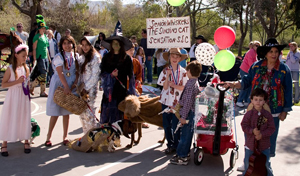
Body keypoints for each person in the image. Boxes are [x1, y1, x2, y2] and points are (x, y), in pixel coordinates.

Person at [224, 38, 292, 162]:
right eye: (271, 51)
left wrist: (285, 111)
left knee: (269, 137)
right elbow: (246, 82)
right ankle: (249, 164)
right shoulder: (256, 66)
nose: (274, 54)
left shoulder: (284, 69)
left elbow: (288, 91)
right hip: (254, 108)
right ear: (265, 53)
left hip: (274, 110)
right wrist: (232, 84)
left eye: (276, 51)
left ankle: (264, 165)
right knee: (251, 135)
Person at [45, 35, 79, 146]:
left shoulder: (76, 56)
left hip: (70, 85)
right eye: (64, 43)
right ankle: (48, 137)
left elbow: (77, 71)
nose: (67, 46)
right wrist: (66, 87)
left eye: (69, 43)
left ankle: (65, 136)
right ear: (61, 45)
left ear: (73, 44)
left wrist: (74, 83)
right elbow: (60, 73)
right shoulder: (59, 57)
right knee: (55, 112)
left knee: (66, 111)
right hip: (60, 85)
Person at [0, 44, 31, 157]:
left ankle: (26, 140)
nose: (25, 58)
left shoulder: (26, 68)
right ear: (17, 55)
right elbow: (3, 84)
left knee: (24, 116)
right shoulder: (10, 69)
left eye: (26, 56)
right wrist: (17, 82)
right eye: (23, 56)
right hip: (13, 96)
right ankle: (4, 143)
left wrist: (29, 86)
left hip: (23, 96)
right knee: (10, 116)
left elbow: (26, 82)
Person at [157, 48, 189, 154]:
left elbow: (184, 87)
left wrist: (174, 85)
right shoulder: (165, 71)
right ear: (169, 58)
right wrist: (168, 77)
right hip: (166, 101)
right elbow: (164, 87)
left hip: (177, 102)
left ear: (180, 58)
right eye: (172, 57)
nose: (174, 59)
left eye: (177, 57)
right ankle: (170, 145)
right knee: (166, 125)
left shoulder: (184, 72)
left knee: (176, 124)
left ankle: (176, 144)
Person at [170, 60, 201, 165]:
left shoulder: (190, 84)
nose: (186, 73)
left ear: (189, 71)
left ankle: (182, 157)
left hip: (188, 113)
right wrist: (176, 107)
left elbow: (188, 102)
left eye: (187, 71)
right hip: (190, 112)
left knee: (185, 135)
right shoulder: (194, 82)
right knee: (186, 134)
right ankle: (184, 153)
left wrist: (183, 116)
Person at [100, 35, 136, 124]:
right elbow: (102, 73)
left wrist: (132, 92)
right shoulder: (106, 57)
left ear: (121, 45)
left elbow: (131, 76)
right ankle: (106, 133)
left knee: (118, 114)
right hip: (109, 92)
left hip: (121, 91)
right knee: (107, 113)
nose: (116, 45)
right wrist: (111, 75)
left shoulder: (126, 58)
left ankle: (115, 134)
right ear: (111, 45)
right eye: (114, 43)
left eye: (118, 43)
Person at [241, 88, 275, 176]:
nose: (258, 102)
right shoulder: (249, 114)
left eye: (260, 100)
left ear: (264, 101)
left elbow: (272, 128)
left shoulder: (267, 115)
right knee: (248, 164)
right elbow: (244, 125)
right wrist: (252, 131)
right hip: (250, 145)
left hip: (264, 145)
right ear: (251, 100)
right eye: (256, 99)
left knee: (266, 164)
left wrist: (262, 134)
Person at [78, 37, 101, 134]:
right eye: (82, 45)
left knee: (89, 114)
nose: (84, 47)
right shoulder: (83, 57)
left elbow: (95, 76)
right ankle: (86, 136)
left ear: (91, 45)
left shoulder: (96, 57)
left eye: (86, 45)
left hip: (90, 90)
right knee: (82, 114)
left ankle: (92, 136)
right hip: (82, 89)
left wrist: (85, 88)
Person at [30, 15, 51, 97]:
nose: (44, 29)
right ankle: (31, 86)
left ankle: (42, 91)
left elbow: (46, 48)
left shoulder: (45, 36)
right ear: (39, 29)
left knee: (45, 75)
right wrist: (34, 58)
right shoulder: (36, 37)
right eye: (43, 28)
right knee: (43, 74)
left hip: (45, 57)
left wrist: (49, 58)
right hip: (40, 57)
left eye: (44, 28)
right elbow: (34, 48)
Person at [236, 41, 261, 108]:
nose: (257, 47)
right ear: (253, 46)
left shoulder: (255, 53)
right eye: (256, 45)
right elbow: (251, 63)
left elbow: (255, 62)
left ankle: (246, 101)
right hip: (245, 70)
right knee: (244, 85)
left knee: (249, 86)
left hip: (249, 71)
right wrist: (255, 70)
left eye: (259, 46)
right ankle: (239, 101)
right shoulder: (251, 52)